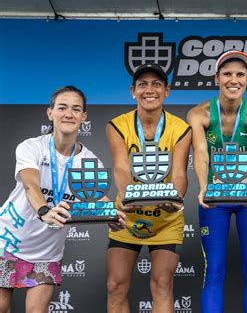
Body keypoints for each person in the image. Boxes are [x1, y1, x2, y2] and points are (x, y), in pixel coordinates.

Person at [0, 86, 125, 313]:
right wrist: (44, 211)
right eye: (62, 107)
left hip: (46, 251)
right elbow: (31, 184)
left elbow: (97, 198)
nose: (69, 113)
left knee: (37, 310)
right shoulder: (31, 147)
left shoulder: (89, 161)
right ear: (50, 113)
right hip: (7, 240)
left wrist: (112, 214)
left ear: (83, 117)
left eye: (76, 109)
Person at [187, 50, 247, 313]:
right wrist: (203, 187)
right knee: (214, 269)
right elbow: (200, 152)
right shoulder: (199, 113)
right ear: (217, 78)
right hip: (214, 199)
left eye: (240, 74)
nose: (233, 80)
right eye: (227, 74)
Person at [106, 63, 192, 313]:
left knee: (163, 284)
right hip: (128, 217)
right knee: (115, 285)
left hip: (166, 217)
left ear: (167, 91)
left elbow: (179, 173)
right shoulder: (116, 125)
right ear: (133, 91)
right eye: (142, 84)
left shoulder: (181, 128)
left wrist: (175, 197)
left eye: (156, 84)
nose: (149, 89)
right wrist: (127, 195)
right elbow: (121, 168)